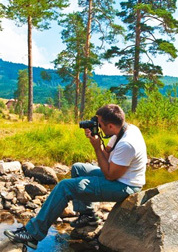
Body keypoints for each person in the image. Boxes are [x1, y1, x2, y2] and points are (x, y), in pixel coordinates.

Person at [4, 104, 147, 250]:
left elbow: (110, 175)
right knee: (78, 168)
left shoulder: (127, 143)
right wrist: (96, 140)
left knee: (65, 186)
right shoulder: (123, 130)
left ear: (110, 126)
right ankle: (88, 216)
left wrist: (97, 147)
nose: (98, 126)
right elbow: (109, 156)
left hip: (125, 186)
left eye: (100, 124)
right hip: (119, 176)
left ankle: (32, 234)